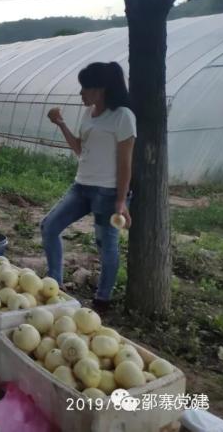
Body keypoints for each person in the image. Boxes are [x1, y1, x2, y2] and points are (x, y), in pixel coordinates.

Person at [41, 62, 136, 311]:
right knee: (49, 226)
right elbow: (80, 150)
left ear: (101, 89)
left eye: (85, 88)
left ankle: (102, 299)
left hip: (107, 192)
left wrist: (121, 199)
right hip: (81, 187)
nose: (81, 93)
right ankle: (55, 284)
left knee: (106, 245)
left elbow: (126, 162)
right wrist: (61, 124)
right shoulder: (88, 113)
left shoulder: (123, 116)